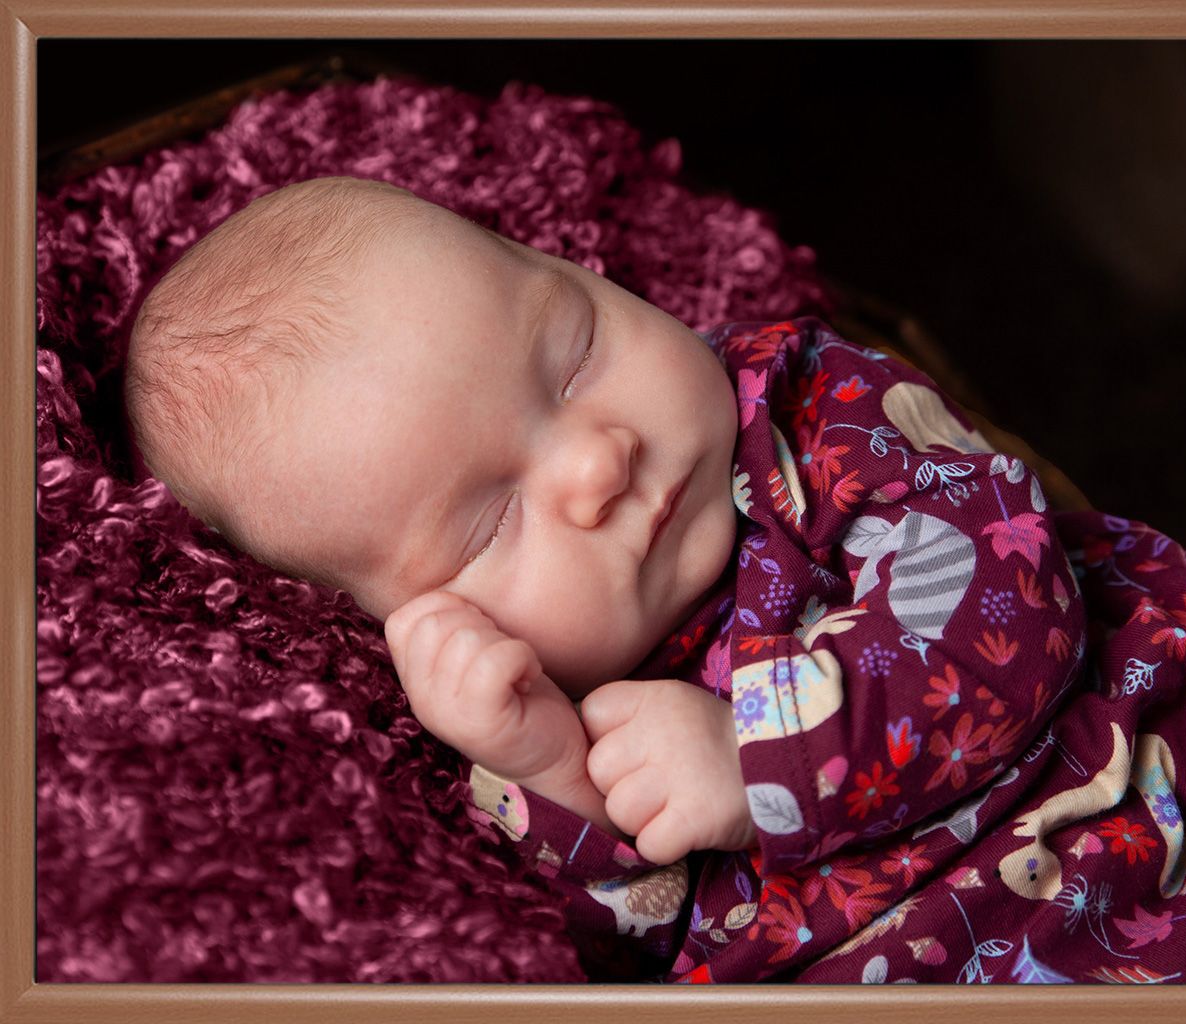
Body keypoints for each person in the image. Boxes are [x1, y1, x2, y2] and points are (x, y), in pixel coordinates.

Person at [125, 175, 1090, 979]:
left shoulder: (824, 411)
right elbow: (654, 938)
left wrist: (754, 753)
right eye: (492, 521)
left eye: (576, 356)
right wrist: (552, 770)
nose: (598, 464)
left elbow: (1009, 612)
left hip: (1110, 871)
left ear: (580, 271)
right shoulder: (561, 693)